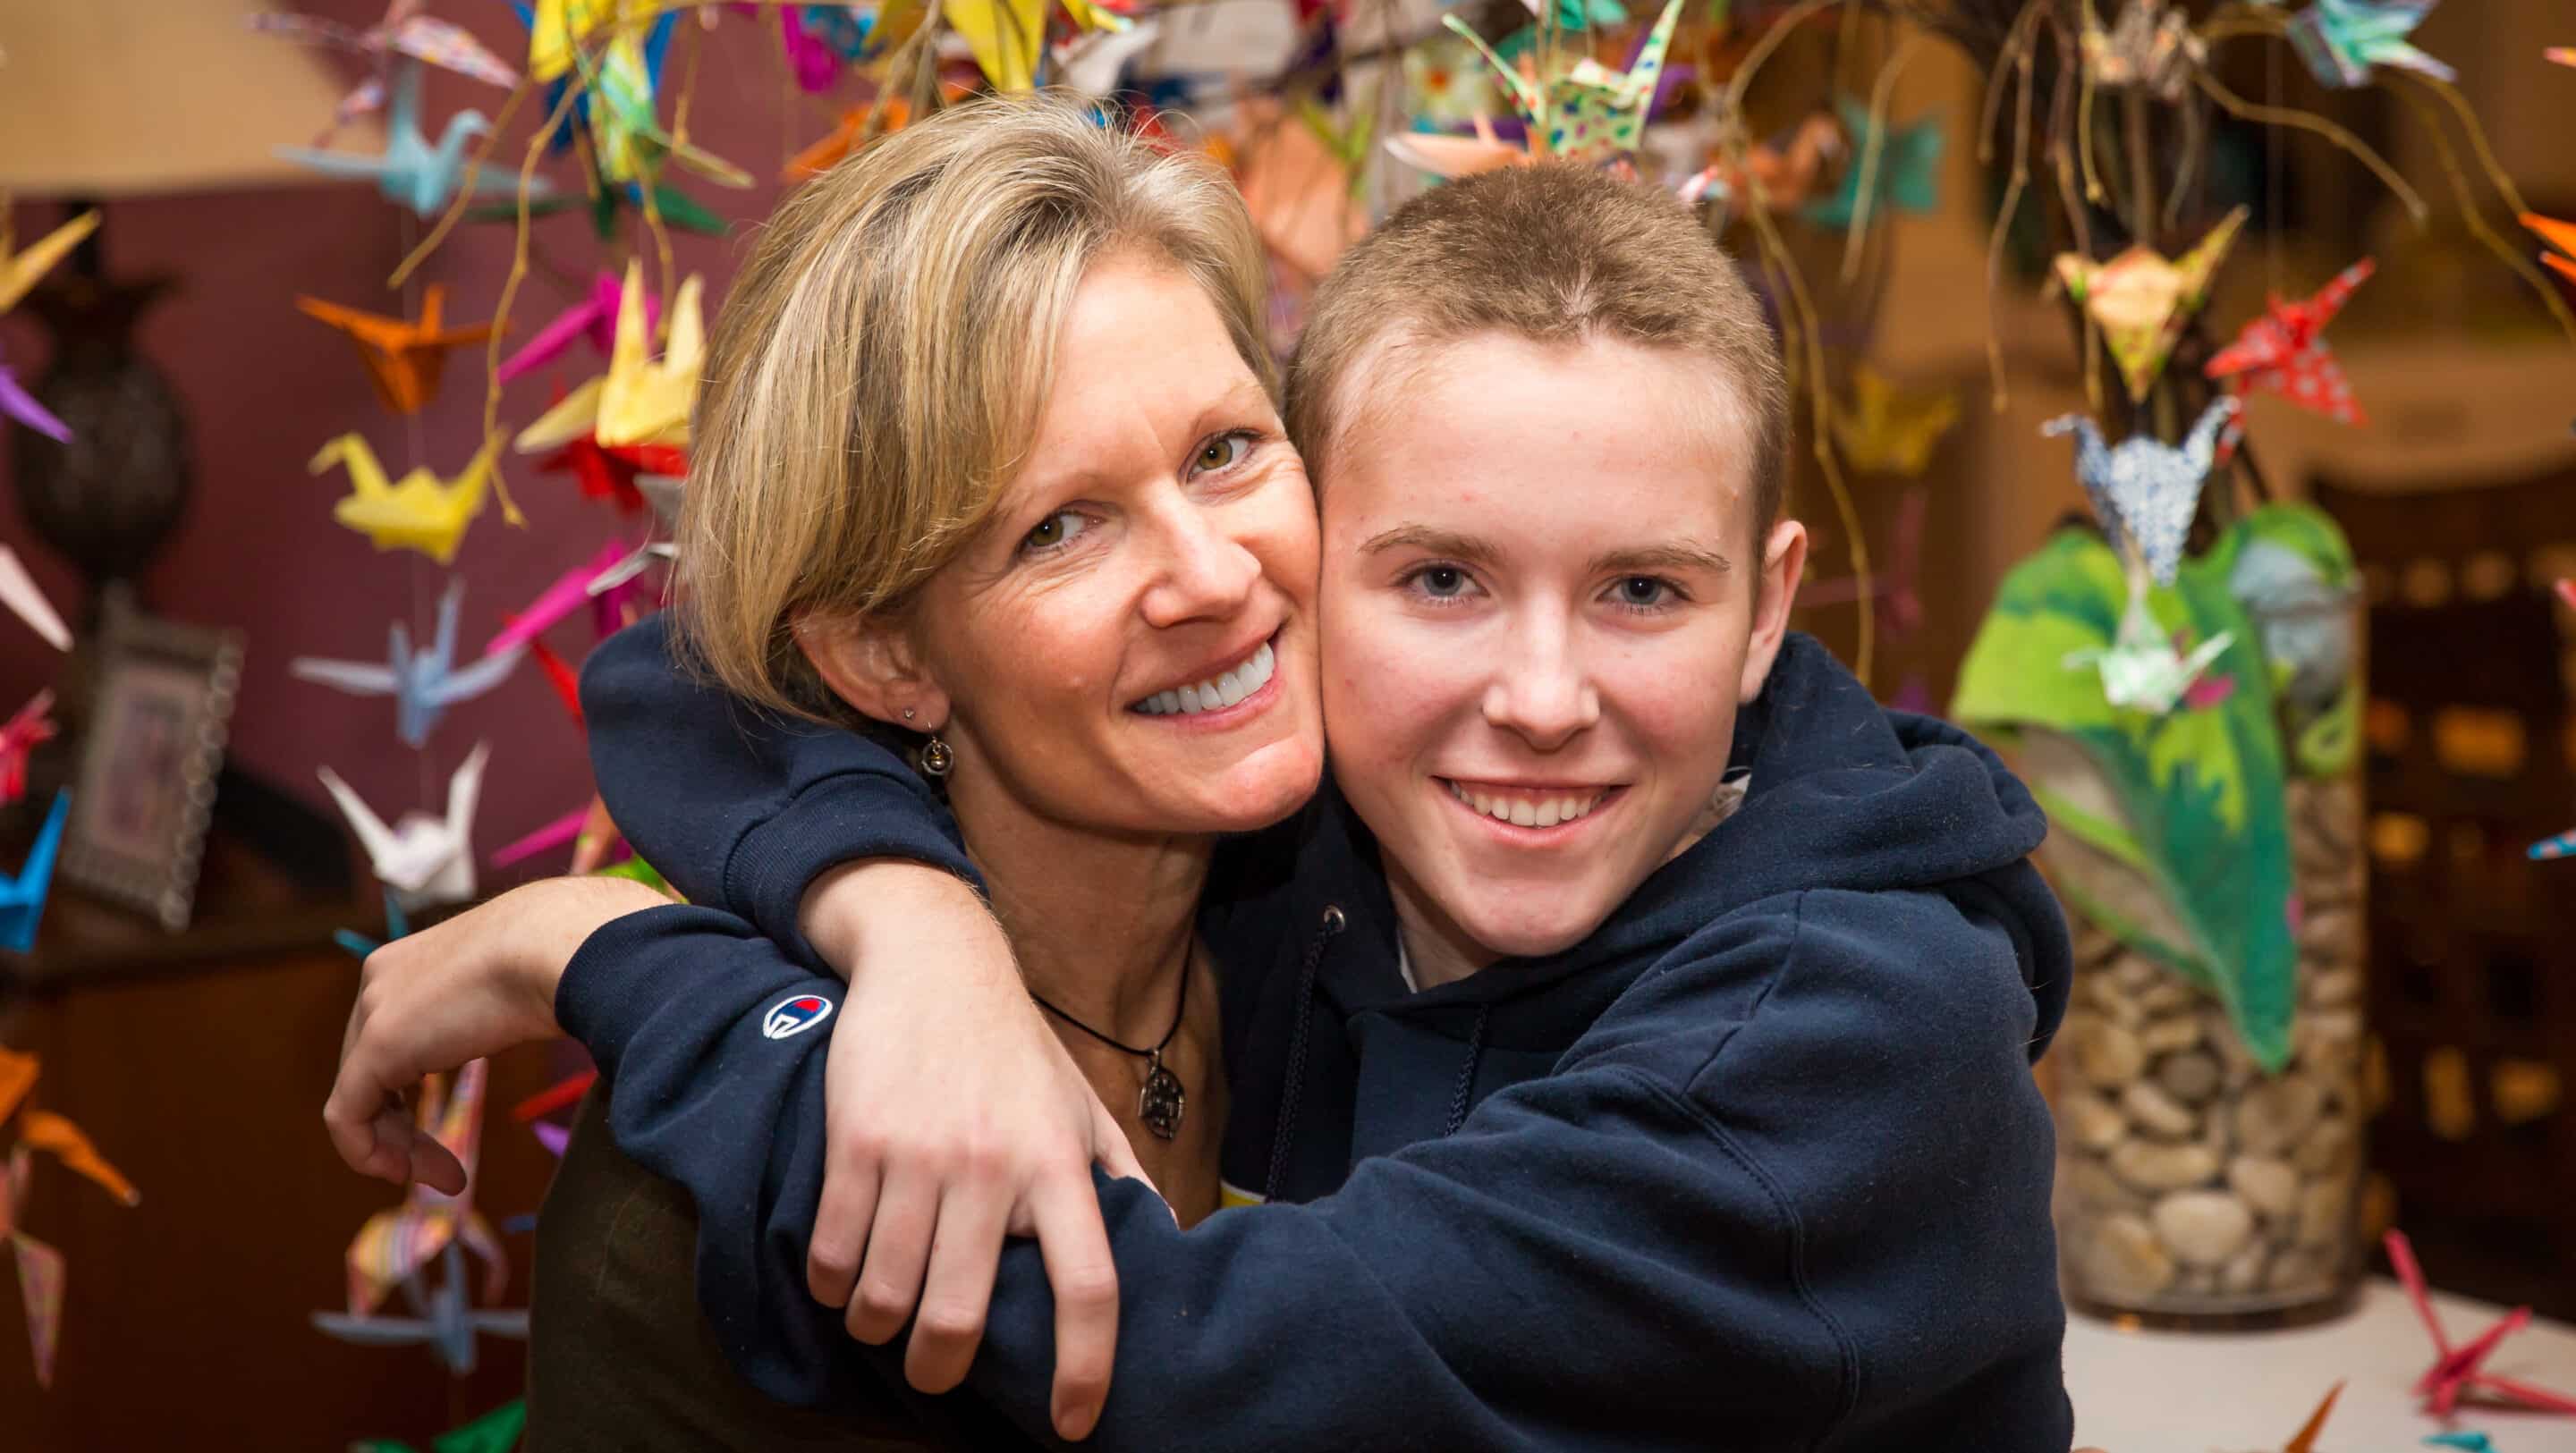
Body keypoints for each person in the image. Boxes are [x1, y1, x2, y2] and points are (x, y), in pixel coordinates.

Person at [330, 99, 2075, 1449]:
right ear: (879, 654)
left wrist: (578, 947)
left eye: (1227, 452)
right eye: (1064, 524)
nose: (1218, 573)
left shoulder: (1767, 1009)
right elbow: (683, 676)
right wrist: (916, 935)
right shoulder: (1316, 878)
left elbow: (1202, 1368)